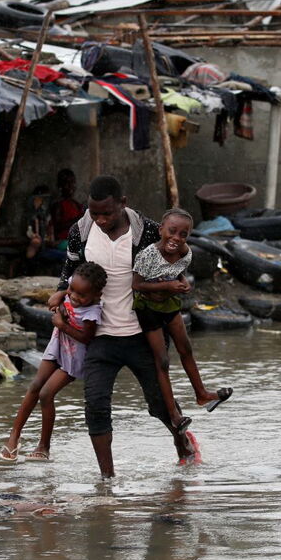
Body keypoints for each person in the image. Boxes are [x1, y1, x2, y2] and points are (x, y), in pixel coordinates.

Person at [49, 175, 198, 478]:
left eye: (107, 213)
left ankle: (184, 445)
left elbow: (176, 261)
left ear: (122, 204)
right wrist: (61, 289)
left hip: (141, 333)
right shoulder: (81, 230)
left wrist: (176, 287)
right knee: (95, 408)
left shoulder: (148, 232)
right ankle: (107, 480)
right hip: (100, 336)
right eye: (95, 213)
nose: (101, 220)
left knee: (159, 405)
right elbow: (71, 269)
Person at [131, 208, 232, 433]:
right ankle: (174, 415)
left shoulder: (185, 253)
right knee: (163, 361)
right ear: (161, 230)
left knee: (186, 348)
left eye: (183, 234)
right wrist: (167, 285)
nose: (176, 238)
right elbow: (136, 285)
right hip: (148, 309)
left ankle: (202, 395)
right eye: (172, 231)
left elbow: (177, 272)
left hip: (169, 304)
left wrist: (183, 282)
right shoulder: (148, 254)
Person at [0, 262, 107, 463]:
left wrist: (62, 324)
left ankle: (44, 446)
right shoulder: (71, 289)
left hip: (74, 357)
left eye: (81, 295)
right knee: (34, 386)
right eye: (72, 290)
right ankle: (14, 436)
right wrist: (59, 300)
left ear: (96, 296)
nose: (74, 297)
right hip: (57, 345)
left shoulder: (92, 313)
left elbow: (86, 338)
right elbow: (55, 298)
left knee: (46, 394)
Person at [48, 169, 85, 251]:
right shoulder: (58, 205)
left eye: (73, 182)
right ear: (60, 187)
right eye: (67, 183)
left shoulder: (77, 205)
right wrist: (78, 220)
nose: (71, 186)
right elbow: (57, 227)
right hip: (63, 241)